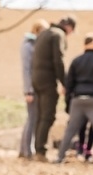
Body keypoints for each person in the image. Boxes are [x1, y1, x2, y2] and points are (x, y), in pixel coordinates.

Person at [55, 34, 93, 165]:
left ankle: (59, 157)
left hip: (78, 99)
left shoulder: (77, 60)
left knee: (70, 130)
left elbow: (69, 83)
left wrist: (68, 103)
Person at [30, 16, 76, 157]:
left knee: (40, 116)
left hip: (36, 78)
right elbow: (58, 60)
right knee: (47, 116)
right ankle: (41, 150)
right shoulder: (58, 34)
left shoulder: (44, 33)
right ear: (68, 27)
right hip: (48, 80)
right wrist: (65, 82)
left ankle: (38, 148)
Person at [18, 19, 47, 158]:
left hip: (36, 87)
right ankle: (27, 150)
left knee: (33, 118)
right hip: (31, 89)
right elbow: (26, 69)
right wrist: (28, 90)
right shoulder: (28, 46)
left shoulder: (35, 45)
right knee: (32, 119)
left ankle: (24, 149)